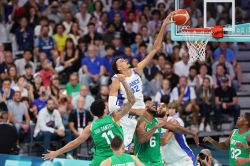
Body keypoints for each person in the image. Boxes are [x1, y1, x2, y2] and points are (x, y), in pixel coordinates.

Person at [109, 12, 174, 148]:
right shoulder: (116, 80)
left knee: (160, 130)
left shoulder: (137, 70)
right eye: (121, 60)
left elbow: (155, 48)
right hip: (127, 118)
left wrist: (163, 25)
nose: (125, 59)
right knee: (121, 148)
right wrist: (132, 111)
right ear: (118, 68)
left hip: (142, 113)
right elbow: (112, 108)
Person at [42, 74, 136, 166]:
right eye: (106, 106)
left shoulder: (91, 127)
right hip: (118, 159)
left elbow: (74, 143)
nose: (107, 106)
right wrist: (124, 82)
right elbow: (132, 100)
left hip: (99, 161)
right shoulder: (114, 117)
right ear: (104, 109)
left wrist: (57, 152)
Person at [134, 100, 199, 166]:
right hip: (166, 163)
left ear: (168, 112)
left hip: (183, 159)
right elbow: (142, 139)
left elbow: (165, 140)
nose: (160, 107)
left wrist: (192, 133)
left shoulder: (172, 121)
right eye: (159, 106)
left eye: (163, 106)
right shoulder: (148, 122)